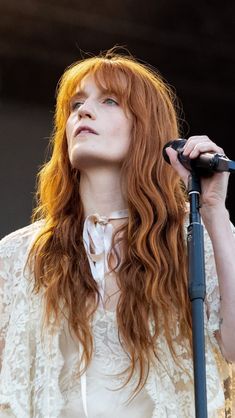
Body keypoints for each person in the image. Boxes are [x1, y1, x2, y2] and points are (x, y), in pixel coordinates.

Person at [0, 47, 234, 418]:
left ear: (145, 127)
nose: (83, 111)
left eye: (109, 100)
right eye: (75, 104)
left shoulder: (191, 242)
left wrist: (214, 213)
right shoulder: (18, 256)